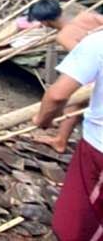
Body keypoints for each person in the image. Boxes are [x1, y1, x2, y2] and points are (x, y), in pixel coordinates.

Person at [32, 31, 103, 240]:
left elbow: (57, 95)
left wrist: (42, 120)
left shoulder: (97, 41)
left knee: (80, 225)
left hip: (98, 148)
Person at [28, 0, 103, 153]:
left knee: (74, 102)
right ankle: (61, 140)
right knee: (77, 104)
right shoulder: (86, 15)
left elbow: (84, 61)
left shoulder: (64, 36)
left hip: (97, 73)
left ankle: (61, 141)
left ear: (45, 22)